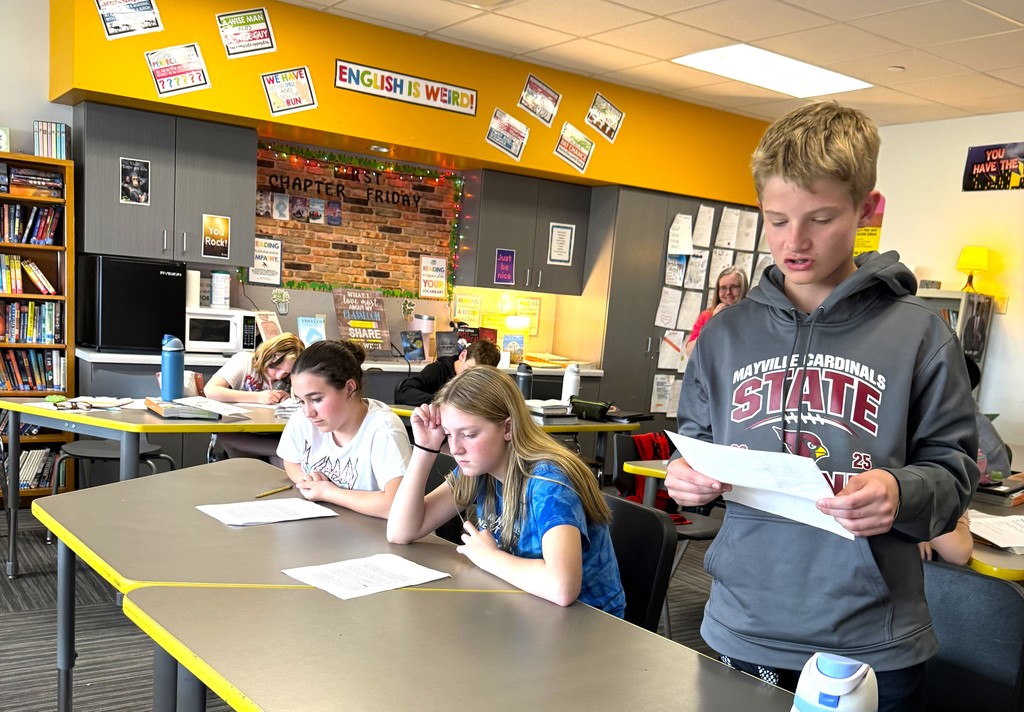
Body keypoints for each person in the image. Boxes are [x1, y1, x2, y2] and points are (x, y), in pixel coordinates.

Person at [665, 102, 978, 711]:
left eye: (821, 218)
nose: (795, 242)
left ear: (868, 210)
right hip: (739, 619)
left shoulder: (920, 334)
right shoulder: (724, 335)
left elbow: (956, 474)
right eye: (776, 220)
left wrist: (898, 489)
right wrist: (685, 480)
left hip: (867, 641)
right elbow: (695, 442)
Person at [386, 366, 625, 615]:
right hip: (526, 608)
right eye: (448, 434)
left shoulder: (548, 481)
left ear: (508, 428)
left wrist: (489, 558)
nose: (455, 448)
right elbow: (400, 532)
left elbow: (562, 588)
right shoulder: (479, 469)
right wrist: (425, 449)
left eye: (468, 434)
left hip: (586, 623)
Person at [277, 339, 410, 518]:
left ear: (349, 388)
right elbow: (291, 461)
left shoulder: (384, 431)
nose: (308, 412)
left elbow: (397, 504)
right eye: (301, 401)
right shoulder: (302, 420)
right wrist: (308, 482)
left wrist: (327, 492)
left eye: (316, 399)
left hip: (374, 536)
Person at [205, 333, 305, 463]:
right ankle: (290, 451)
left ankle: (288, 452)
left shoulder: (289, 377)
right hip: (243, 433)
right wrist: (258, 397)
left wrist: (290, 398)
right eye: (277, 368)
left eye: (286, 372)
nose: (279, 376)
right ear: (268, 355)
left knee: (284, 466)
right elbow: (211, 390)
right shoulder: (245, 361)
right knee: (228, 438)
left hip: (276, 434)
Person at [394, 338, 501, 406]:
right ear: (463, 355)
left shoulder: (486, 382)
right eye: (469, 371)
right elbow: (403, 392)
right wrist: (443, 402)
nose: (473, 380)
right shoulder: (438, 370)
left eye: (479, 377)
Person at [684, 265, 749, 356]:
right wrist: (713, 323)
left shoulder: (753, 317)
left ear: (743, 288)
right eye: (723, 288)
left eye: (734, 287)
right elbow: (690, 353)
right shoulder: (707, 316)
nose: (728, 292)